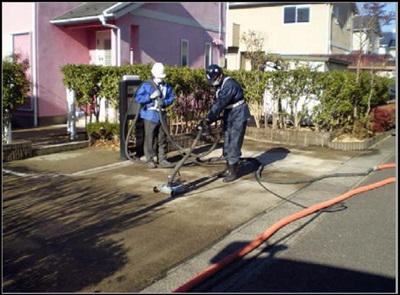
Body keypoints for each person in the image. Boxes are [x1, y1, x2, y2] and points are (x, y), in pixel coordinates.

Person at [198, 64, 251, 182]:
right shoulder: (220, 84)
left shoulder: (229, 85)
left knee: (234, 140)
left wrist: (208, 118)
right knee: (227, 139)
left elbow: (220, 103)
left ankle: (233, 170)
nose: (213, 82)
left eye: (214, 79)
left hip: (238, 113)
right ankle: (228, 168)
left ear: (220, 75)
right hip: (230, 112)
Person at [135, 62, 175, 168]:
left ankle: (162, 158)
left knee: (162, 137)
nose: (160, 79)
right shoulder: (146, 85)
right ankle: (150, 159)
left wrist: (165, 102)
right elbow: (138, 98)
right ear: (154, 74)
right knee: (150, 138)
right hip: (150, 114)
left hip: (161, 114)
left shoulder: (166, 86)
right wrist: (150, 97)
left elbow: (171, 97)